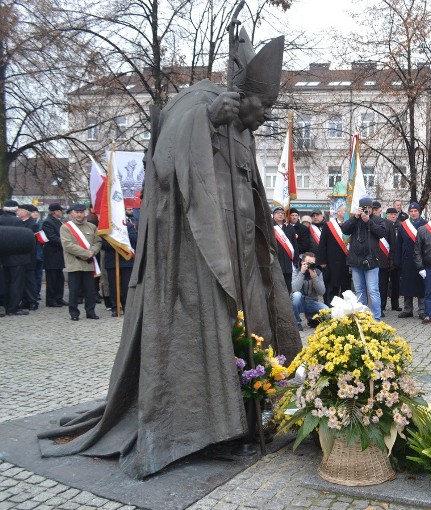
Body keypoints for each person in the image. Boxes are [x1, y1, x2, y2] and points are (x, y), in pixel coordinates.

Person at [39, 36, 302, 479]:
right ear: (241, 95)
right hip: (197, 254)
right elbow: (162, 160)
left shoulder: (243, 132)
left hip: (242, 252)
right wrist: (204, 118)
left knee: (254, 328)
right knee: (207, 332)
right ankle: (211, 427)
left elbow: (251, 191)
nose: (267, 114)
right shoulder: (200, 101)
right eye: (263, 103)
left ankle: (252, 410)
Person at [342, 196, 386, 320]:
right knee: (360, 290)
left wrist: (368, 221)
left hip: (372, 260)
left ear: (372, 209)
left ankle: (376, 318)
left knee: (373, 290)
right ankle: (362, 317)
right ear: (359, 208)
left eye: (369, 208)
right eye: (364, 208)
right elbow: (345, 230)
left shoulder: (377, 220)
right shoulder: (355, 219)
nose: (366, 210)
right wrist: (355, 218)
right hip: (356, 261)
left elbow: (382, 233)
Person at [60, 203, 103, 321]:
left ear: (85, 213)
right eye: (76, 212)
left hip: (89, 263)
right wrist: (85, 253)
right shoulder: (66, 227)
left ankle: (90, 312)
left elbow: (98, 242)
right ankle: (74, 313)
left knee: (90, 290)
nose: (79, 214)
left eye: (81, 212)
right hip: (74, 263)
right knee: (74, 290)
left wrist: (92, 251)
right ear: (71, 213)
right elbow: (67, 245)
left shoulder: (91, 226)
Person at [102, 207, 138, 317]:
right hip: (112, 261)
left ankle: (127, 306)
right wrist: (115, 241)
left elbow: (135, 239)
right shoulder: (107, 228)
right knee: (114, 286)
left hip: (127, 261)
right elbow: (104, 245)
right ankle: (115, 307)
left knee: (126, 286)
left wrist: (122, 236)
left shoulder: (128, 225)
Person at [396, 202, 426, 318]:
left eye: (415, 211)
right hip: (407, 260)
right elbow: (399, 244)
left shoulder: (426, 225)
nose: (413, 213)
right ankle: (407, 309)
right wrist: (397, 259)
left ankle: (422, 310)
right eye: (411, 211)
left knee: (421, 285)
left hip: (421, 260)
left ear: (419, 212)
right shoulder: (404, 225)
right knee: (406, 284)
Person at [0, 200, 30, 315]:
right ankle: (13, 308)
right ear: (16, 209)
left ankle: (6, 305)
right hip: (16, 258)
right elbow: (22, 239)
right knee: (16, 283)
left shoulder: (1, 219)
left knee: (5, 283)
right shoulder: (17, 221)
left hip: (3, 258)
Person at [316, 205, 350, 304]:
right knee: (331, 287)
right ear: (338, 212)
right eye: (345, 211)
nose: (347, 213)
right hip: (332, 261)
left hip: (346, 261)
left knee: (346, 287)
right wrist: (322, 261)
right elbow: (322, 243)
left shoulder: (350, 225)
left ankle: (346, 311)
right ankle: (329, 309)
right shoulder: (329, 225)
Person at [291, 251, 328, 330]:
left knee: (327, 311)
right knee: (296, 295)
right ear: (302, 262)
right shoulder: (296, 272)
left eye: (312, 263)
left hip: (312, 303)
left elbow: (322, 292)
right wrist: (302, 273)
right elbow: (295, 289)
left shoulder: (318, 273)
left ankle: (311, 318)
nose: (310, 265)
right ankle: (297, 323)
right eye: (307, 263)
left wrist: (314, 277)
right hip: (299, 303)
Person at [42, 203, 68, 307]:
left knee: (59, 278)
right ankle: (51, 299)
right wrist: (66, 243)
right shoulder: (48, 222)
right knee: (52, 278)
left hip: (58, 254)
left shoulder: (57, 221)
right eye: (60, 210)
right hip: (52, 254)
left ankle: (58, 297)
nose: (61, 212)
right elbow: (52, 237)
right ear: (55, 211)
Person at [271, 206, 298, 294]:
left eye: (282, 213)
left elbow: (294, 245)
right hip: (276, 262)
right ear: (273, 215)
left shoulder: (289, 228)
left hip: (288, 264)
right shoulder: (270, 227)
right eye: (278, 213)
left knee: (288, 287)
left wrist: (295, 261)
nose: (280, 215)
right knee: (277, 288)